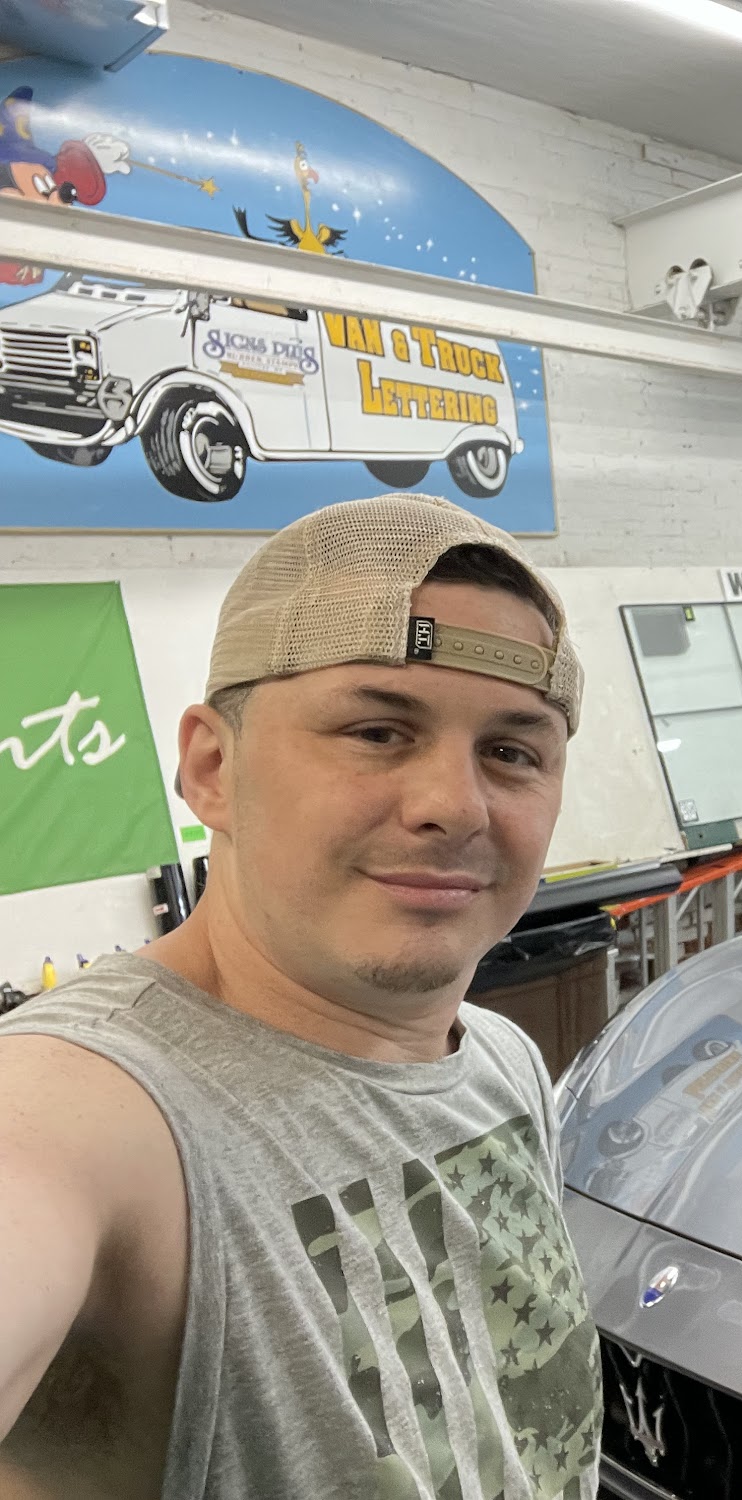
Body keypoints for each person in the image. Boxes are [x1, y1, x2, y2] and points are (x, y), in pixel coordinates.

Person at [0, 493, 603, 1499]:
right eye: (377, 731)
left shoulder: (499, 1061)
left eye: (511, 752)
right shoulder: (94, 1112)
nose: (453, 806)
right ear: (211, 768)